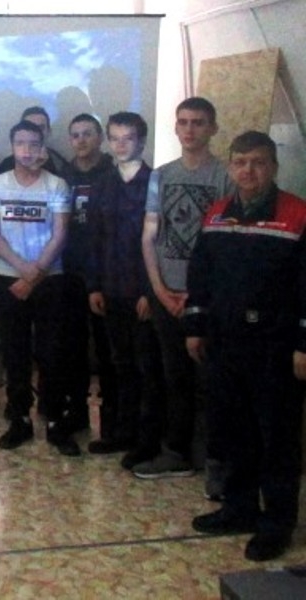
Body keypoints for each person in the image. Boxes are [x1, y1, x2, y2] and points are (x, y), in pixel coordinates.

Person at [185, 131, 306, 562]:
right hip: (225, 342)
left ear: (273, 167)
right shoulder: (217, 214)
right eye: (240, 162)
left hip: (276, 348)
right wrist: (195, 326)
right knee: (232, 431)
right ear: (231, 167)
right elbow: (200, 275)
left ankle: (276, 524)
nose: (248, 171)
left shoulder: (297, 215)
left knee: (277, 439)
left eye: (257, 162)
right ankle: (238, 509)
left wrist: (303, 343)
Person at [137, 97, 233, 483]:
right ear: (175, 128)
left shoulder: (225, 176)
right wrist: (159, 289)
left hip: (205, 299)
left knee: (211, 381)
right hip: (166, 292)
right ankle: (176, 452)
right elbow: (149, 237)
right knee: (174, 377)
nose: (190, 129)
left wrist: (198, 297)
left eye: (198, 122)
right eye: (183, 122)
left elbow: (226, 245)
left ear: (212, 128)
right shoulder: (161, 176)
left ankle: (216, 460)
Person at [0, 119, 80, 457]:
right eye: (20, 143)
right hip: (9, 279)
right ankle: (19, 419)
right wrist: (22, 271)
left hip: (50, 279)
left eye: (33, 144)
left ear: (42, 147)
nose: (27, 150)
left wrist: (35, 273)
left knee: (52, 353)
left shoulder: (56, 185)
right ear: (12, 146)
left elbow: (60, 234)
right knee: (15, 353)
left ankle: (54, 421)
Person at [86, 112, 163, 468]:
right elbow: (94, 239)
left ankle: (147, 441)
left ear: (141, 142)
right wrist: (94, 285)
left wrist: (150, 291)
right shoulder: (102, 183)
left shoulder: (155, 182)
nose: (119, 145)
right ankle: (120, 432)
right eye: (114, 138)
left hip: (144, 291)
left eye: (127, 138)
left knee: (147, 368)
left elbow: (160, 242)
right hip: (110, 288)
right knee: (119, 365)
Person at [58, 113, 116, 435]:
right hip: (68, 272)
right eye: (75, 135)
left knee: (108, 350)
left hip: (105, 274)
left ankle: (111, 419)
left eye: (87, 133)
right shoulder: (62, 177)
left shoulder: (113, 174)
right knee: (72, 347)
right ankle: (76, 413)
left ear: (100, 138)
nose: (81, 140)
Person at [0, 106, 70, 177]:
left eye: (41, 127)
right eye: (29, 127)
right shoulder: (6, 166)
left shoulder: (58, 163)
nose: (36, 132)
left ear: (49, 131)